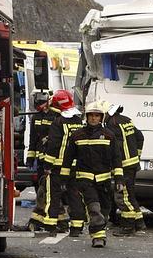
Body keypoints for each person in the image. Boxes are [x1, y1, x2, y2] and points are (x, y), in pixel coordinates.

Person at [63, 100, 123, 248]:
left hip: (104, 181)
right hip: (85, 179)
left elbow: (117, 158)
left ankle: (99, 232)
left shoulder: (109, 136)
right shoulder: (77, 136)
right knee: (94, 208)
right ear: (87, 117)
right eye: (91, 116)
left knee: (104, 210)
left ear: (101, 118)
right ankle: (98, 237)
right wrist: (63, 179)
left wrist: (119, 178)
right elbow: (68, 158)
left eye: (97, 116)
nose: (94, 118)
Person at [40, 90, 85, 234]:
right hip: (75, 167)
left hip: (58, 167)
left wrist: (47, 165)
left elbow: (54, 145)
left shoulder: (58, 122)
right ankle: (77, 228)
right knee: (75, 196)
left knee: (54, 195)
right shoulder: (79, 122)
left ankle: (51, 226)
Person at [104, 103, 146, 236]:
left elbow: (115, 147)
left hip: (123, 165)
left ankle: (128, 227)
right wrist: (137, 155)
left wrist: (113, 164)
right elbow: (140, 137)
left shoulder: (112, 124)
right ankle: (139, 223)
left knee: (122, 196)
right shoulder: (126, 120)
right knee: (130, 194)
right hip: (133, 164)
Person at [26, 92, 59, 231]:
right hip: (41, 159)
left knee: (46, 190)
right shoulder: (36, 117)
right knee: (42, 188)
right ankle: (54, 219)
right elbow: (33, 138)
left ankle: (39, 219)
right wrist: (30, 157)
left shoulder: (56, 116)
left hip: (52, 159)